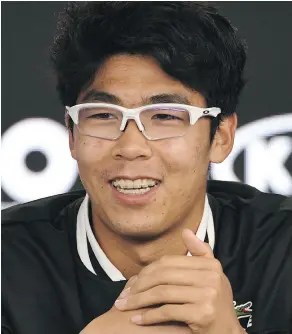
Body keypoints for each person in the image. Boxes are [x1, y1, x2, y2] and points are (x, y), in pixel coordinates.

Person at [2, 2, 291, 334]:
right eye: (103, 115)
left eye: (165, 116)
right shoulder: (7, 261)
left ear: (221, 137)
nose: (131, 148)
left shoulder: (282, 250)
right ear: (71, 133)